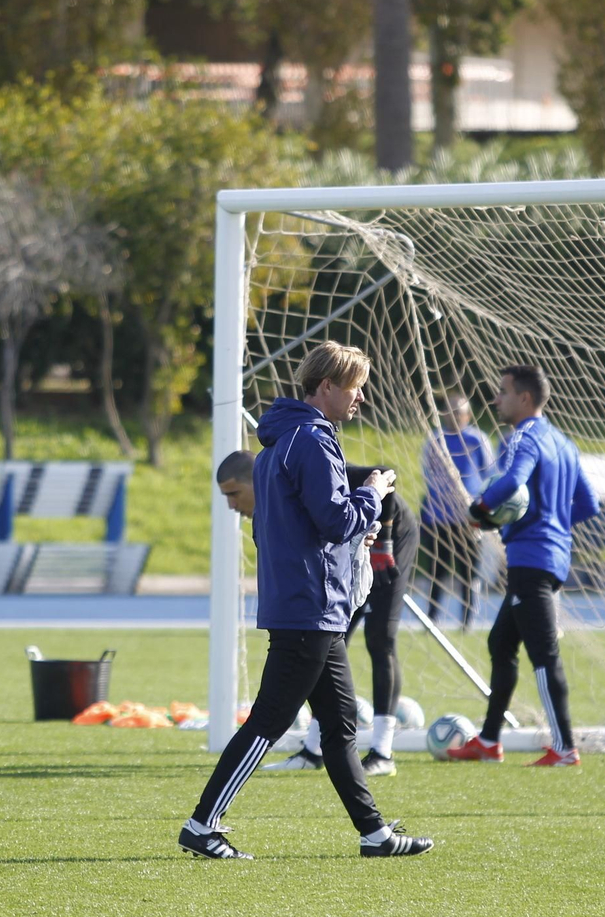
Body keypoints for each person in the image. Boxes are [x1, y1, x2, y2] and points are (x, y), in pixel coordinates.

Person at [179, 341, 434, 860]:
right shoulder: (312, 439)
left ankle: (375, 834)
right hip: (310, 606)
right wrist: (375, 492)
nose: (359, 398)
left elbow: (302, 527)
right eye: (354, 388)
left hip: (310, 604)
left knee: (339, 727)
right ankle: (202, 824)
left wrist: (349, 537)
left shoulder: (280, 442)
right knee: (269, 722)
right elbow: (337, 519)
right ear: (325, 388)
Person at [446, 364, 599, 768]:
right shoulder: (564, 443)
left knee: (544, 654)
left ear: (525, 399)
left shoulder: (523, 437)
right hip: (549, 557)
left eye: (502, 392)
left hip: (532, 559)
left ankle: (565, 749)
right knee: (501, 644)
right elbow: (588, 504)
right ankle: (489, 740)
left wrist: (479, 508)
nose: (495, 399)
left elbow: (513, 482)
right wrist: (550, 520)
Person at [261, 460, 421, 777]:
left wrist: (384, 538)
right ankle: (313, 749)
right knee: (331, 639)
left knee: (380, 639)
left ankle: (382, 753)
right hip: (355, 545)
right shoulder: (279, 494)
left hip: (392, 539)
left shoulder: (313, 466)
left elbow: (386, 472)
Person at [419, 392, 496, 630]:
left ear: (468, 415)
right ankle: (431, 619)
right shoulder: (435, 439)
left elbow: (489, 474)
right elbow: (427, 472)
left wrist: (482, 505)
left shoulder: (477, 440)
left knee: (469, 571)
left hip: (469, 517)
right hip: (438, 517)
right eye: (449, 411)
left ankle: (468, 621)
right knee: (437, 570)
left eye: (459, 412)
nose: (454, 416)